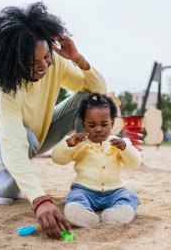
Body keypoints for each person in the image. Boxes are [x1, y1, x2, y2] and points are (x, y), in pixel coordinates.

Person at [0, 2, 106, 239]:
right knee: (6, 193)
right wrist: (39, 200)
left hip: (41, 133)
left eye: (46, 57)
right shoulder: (7, 86)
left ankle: (92, 181)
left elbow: (98, 93)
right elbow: (14, 143)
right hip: (2, 139)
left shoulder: (54, 63)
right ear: (14, 60)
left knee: (88, 99)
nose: (44, 66)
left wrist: (78, 59)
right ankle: (3, 184)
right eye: (34, 63)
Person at [52, 93, 142, 227]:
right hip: (85, 190)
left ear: (112, 123)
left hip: (114, 191)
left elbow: (135, 164)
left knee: (130, 195)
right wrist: (69, 144)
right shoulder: (79, 143)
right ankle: (81, 213)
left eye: (104, 124)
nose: (98, 129)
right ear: (84, 124)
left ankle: (117, 213)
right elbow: (58, 159)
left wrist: (125, 148)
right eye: (92, 125)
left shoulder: (119, 143)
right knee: (75, 196)